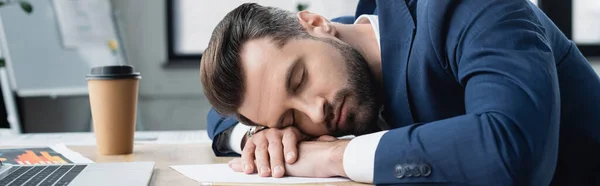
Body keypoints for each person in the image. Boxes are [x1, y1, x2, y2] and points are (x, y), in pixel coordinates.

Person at [200, 0, 600, 185]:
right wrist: (259, 137)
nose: (315, 113)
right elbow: (216, 116)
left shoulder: (464, 8)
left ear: (316, 23)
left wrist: (336, 156)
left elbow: (513, 151)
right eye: (290, 118)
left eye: (299, 79)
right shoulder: (338, 48)